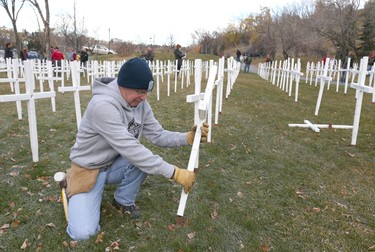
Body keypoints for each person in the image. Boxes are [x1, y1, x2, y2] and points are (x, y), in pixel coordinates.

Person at [65, 57, 209, 240]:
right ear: (123, 85)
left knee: (144, 160)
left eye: (146, 92)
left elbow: (158, 134)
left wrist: (186, 137)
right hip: (88, 169)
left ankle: (122, 201)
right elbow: (131, 149)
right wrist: (174, 173)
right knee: (83, 234)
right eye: (140, 92)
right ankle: (73, 186)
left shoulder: (141, 104)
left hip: (114, 163)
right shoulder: (102, 106)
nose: (144, 98)